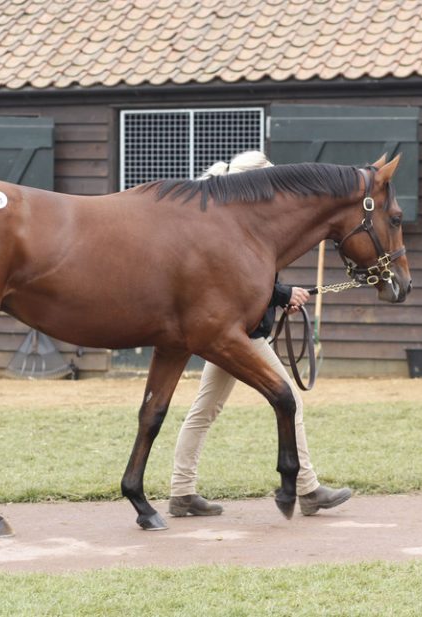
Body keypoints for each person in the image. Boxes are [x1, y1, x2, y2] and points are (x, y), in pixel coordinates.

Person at [168, 150, 352, 518]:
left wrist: (282, 296)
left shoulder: (233, 219)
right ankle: (308, 489)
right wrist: (285, 293)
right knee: (289, 402)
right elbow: (238, 281)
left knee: (204, 409)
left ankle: (182, 492)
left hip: (238, 332)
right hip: (243, 335)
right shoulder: (232, 222)